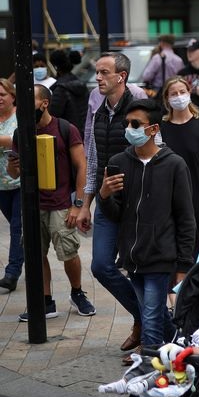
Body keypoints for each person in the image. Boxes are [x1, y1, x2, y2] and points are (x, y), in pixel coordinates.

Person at [99, 98, 196, 350]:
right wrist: (104, 196)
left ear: (153, 129)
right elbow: (116, 214)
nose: (129, 129)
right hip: (132, 257)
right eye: (126, 123)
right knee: (153, 314)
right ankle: (180, 345)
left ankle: (149, 369)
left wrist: (183, 264)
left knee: (150, 320)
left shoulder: (174, 165)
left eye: (135, 124)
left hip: (160, 256)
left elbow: (186, 218)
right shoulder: (120, 162)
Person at [77, 53, 149, 363]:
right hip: (107, 199)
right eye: (97, 72)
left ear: (121, 76)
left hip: (138, 202)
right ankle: (146, 317)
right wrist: (85, 203)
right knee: (101, 265)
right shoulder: (97, 106)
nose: (99, 78)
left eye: (104, 72)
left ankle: (151, 330)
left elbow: (155, 153)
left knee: (139, 268)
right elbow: (92, 158)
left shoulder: (139, 103)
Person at [8, 84, 92, 321]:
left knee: (68, 252)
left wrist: (77, 203)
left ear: (44, 103)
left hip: (60, 204)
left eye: (30, 100)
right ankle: (45, 301)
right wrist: (13, 167)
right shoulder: (21, 132)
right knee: (36, 253)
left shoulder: (65, 128)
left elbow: (81, 166)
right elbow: (14, 173)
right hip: (32, 206)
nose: (23, 106)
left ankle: (77, 292)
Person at [98, 299, 199, 396]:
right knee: (150, 359)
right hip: (180, 360)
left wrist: (196, 351)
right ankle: (124, 381)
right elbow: (187, 341)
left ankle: (143, 385)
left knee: (163, 373)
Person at [159, 76, 199, 257]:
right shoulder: (160, 130)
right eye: (174, 93)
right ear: (167, 99)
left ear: (189, 94)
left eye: (182, 92)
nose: (179, 96)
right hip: (170, 202)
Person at [0, 79, 22, 293]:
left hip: (21, 182)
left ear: (12, 96)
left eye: (2, 94)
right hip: (1, 185)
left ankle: (12, 273)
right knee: (19, 228)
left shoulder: (21, 116)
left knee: (17, 227)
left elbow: (17, 139)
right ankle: (27, 256)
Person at [48, 48, 87, 135]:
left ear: (56, 66)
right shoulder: (81, 84)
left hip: (66, 135)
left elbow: (53, 116)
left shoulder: (60, 89)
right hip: (83, 133)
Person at [140, 34, 185, 99]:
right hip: (175, 91)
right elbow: (182, 78)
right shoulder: (179, 60)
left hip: (158, 92)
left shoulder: (157, 58)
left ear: (161, 43)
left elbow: (146, 76)